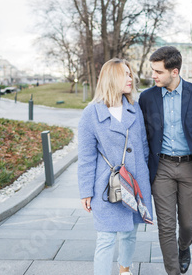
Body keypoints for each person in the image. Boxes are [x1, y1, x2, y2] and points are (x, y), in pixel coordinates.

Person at [139, 46, 192, 274]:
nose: (153, 75)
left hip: (191, 169)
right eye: (152, 70)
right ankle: (172, 271)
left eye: (158, 71)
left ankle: (184, 247)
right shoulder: (147, 98)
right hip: (161, 168)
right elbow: (142, 134)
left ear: (174, 72)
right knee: (165, 226)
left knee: (188, 224)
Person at [77, 58, 152, 275]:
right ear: (111, 78)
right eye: (125, 75)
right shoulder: (91, 114)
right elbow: (86, 158)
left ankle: (124, 270)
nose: (130, 79)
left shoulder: (135, 110)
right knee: (106, 237)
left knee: (129, 233)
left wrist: (146, 183)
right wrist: (85, 191)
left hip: (134, 183)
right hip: (106, 186)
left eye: (130, 74)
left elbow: (144, 148)